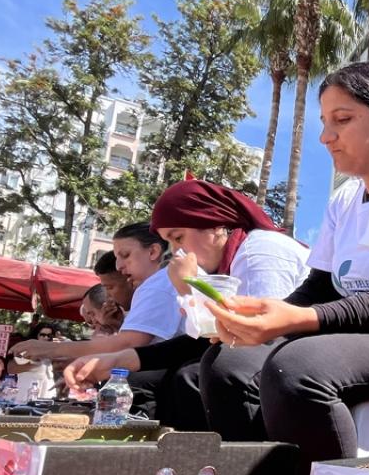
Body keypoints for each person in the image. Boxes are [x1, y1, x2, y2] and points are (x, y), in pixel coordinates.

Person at [71, 62, 369, 475]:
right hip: (368, 337)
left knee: (299, 368)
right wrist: (264, 318)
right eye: (325, 122)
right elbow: (317, 288)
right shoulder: (345, 202)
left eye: (342, 120)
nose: (327, 137)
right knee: (226, 363)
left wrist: (296, 320)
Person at [65, 180, 310, 431]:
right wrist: (120, 359)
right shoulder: (229, 263)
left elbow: (258, 332)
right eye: (169, 242)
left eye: (178, 237)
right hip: (275, 351)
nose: (175, 252)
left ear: (214, 226)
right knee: (163, 376)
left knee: (200, 373)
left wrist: (188, 287)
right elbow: (203, 339)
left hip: (303, 351)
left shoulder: (258, 252)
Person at [11, 221, 184, 365]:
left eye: (125, 255)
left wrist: (51, 349)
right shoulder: (162, 282)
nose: (119, 266)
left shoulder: (157, 284)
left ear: (153, 252)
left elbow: (128, 344)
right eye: (117, 258)